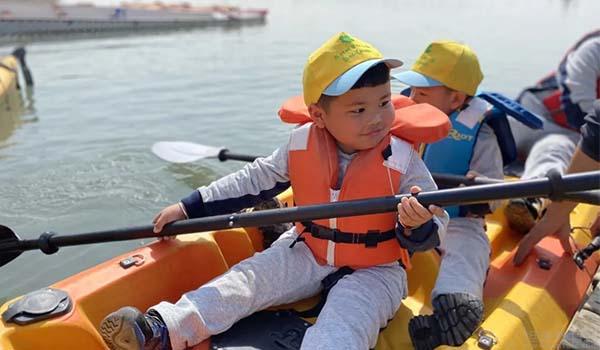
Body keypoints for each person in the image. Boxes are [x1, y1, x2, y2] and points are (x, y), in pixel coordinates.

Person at [99, 32, 450, 350]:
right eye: (359, 109)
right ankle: (160, 329)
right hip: (306, 249)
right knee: (245, 281)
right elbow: (253, 180)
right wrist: (190, 206)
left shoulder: (402, 157)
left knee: (345, 323)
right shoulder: (300, 144)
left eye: (384, 103)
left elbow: (437, 222)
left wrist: (417, 224)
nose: (376, 118)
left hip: (377, 270)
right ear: (318, 115)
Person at [392, 40, 505, 349]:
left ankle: (451, 309)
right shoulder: (397, 117)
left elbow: (494, 196)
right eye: (413, 90)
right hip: (402, 211)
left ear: (455, 98)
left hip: (454, 221)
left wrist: (474, 186)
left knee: (468, 249)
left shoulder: (480, 133)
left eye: (423, 93)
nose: (412, 98)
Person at [505, 30, 600, 234]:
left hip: (569, 138)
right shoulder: (594, 49)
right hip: (535, 117)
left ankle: (529, 199)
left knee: (555, 147)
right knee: (481, 129)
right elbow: (579, 109)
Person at [513, 100, 600, 266]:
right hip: (541, 126)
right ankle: (535, 196)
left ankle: (535, 195)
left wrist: (558, 211)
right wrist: (558, 212)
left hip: (566, 138)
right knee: (555, 147)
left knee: (555, 147)